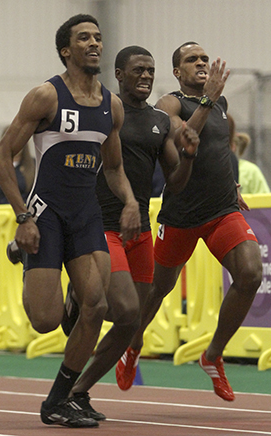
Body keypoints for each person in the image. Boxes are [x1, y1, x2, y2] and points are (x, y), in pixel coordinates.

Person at [0, 14, 141, 429]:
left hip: (86, 215)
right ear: (66, 50)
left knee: (96, 305)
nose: (94, 43)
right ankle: (20, 251)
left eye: (97, 37)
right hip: (45, 215)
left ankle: (59, 400)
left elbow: (113, 168)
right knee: (45, 321)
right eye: (84, 38)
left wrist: (129, 200)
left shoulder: (111, 106)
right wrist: (23, 217)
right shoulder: (46, 96)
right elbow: (3, 156)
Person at [116, 42, 262, 402]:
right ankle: (132, 345)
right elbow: (184, 142)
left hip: (221, 210)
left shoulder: (222, 107)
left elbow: (220, 149)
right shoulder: (170, 104)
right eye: (191, 60)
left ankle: (212, 355)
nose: (201, 63)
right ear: (178, 72)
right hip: (180, 215)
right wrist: (208, 100)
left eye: (204, 59)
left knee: (250, 274)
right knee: (156, 291)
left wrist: (231, 181)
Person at [60, 45, 199, 419]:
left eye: (151, 71)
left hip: (139, 229)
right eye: (138, 70)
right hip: (101, 225)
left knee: (131, 321)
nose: (146, 76)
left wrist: (187, 156)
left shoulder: (159, 121)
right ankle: (79, 293)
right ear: (119, 74)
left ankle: (77, 390)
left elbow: (177, 183)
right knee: (121, 308)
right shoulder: (105, 112)